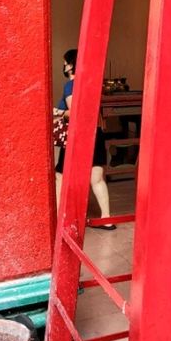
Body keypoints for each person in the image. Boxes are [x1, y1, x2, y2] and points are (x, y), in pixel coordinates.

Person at [53, 49, 116, 229]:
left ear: (71, 65)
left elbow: (75, 114)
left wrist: (58, 112)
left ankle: (59, 219)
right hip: (96, 133)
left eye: (65, 62)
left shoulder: (70, 85)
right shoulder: (91, 83)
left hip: (78, 135)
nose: (64, 66)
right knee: (96, 177)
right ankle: (107, 218)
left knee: (60, 175)